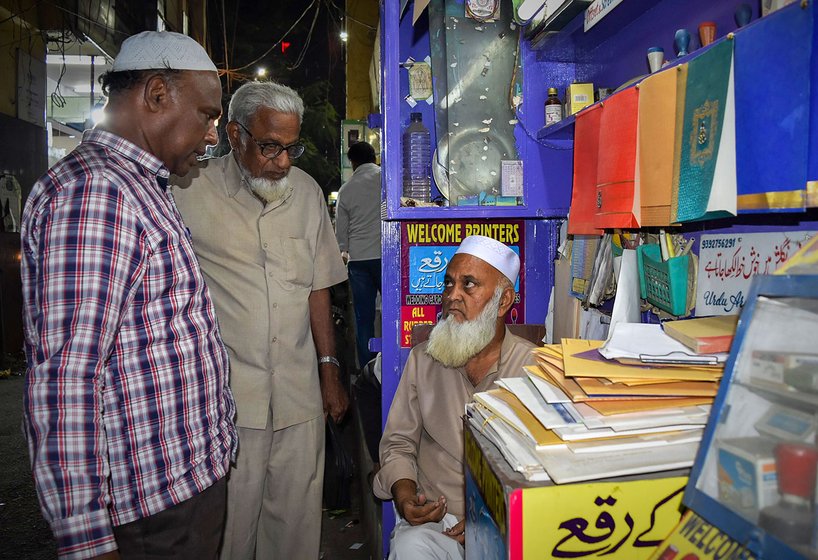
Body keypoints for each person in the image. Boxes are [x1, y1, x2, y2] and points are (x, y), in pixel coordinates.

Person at [20, 31, 236, 560]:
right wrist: (88, 540)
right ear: (158, 94)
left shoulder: (140, 184)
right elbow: (67, 380)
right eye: (207, 115)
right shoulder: (95, 193)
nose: (212, 135)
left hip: (179, 496)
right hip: (148, 517)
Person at [172, 80, 349, 560]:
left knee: (294, 531)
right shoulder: (188, 193)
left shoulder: (308, 194)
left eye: (291, 148)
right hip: (227, 404)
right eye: (270, 147)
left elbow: (319, 285)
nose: (283, 162)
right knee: (231, 532)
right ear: (235, 134)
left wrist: (329, 370)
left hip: (298, 399)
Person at [373, 235, 536, 559]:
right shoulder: (424, 359)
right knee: (410, 549)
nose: (452, 297)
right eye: (449, 284)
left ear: (503, 301)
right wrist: (406, 499)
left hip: (508, 521)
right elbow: (398, 444)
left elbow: (544, 466)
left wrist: (492, 518)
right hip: (437, 521)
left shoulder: (533, 369)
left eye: (469, 285)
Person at [335, 140, 382, 370]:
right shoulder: (386, 179)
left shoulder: (347, 189)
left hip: (360, 261)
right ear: (374, 157)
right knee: (395, 311)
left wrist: (343, 250)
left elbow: (340, 235)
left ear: (352, 162)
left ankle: (367, 368)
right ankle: (395, 361)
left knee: (364, 318)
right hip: (386, 257)